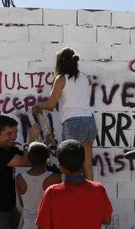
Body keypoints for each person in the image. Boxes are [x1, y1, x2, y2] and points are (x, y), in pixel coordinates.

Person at [36, 139, 112, 229]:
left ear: (61, 167)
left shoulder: (52, 193)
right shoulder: (98, 189)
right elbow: (107, 220)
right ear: (83, 162)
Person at [33, 47, 97, 181]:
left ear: (60, 63)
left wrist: (39, 105)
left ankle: (72, 199)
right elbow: (89, 82)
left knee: (70, 166)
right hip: (89, 122)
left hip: (73, 123)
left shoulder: (61, 79)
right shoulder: (85, 78)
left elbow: (50, 105)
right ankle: (90, 198)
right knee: (87, 167)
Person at [16, 142, 62, 229]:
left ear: (29, 158)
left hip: (29, 225)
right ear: (47, 157)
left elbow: (22, 205)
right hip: (48, 225)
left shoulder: (19, 178)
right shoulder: (54, 178)